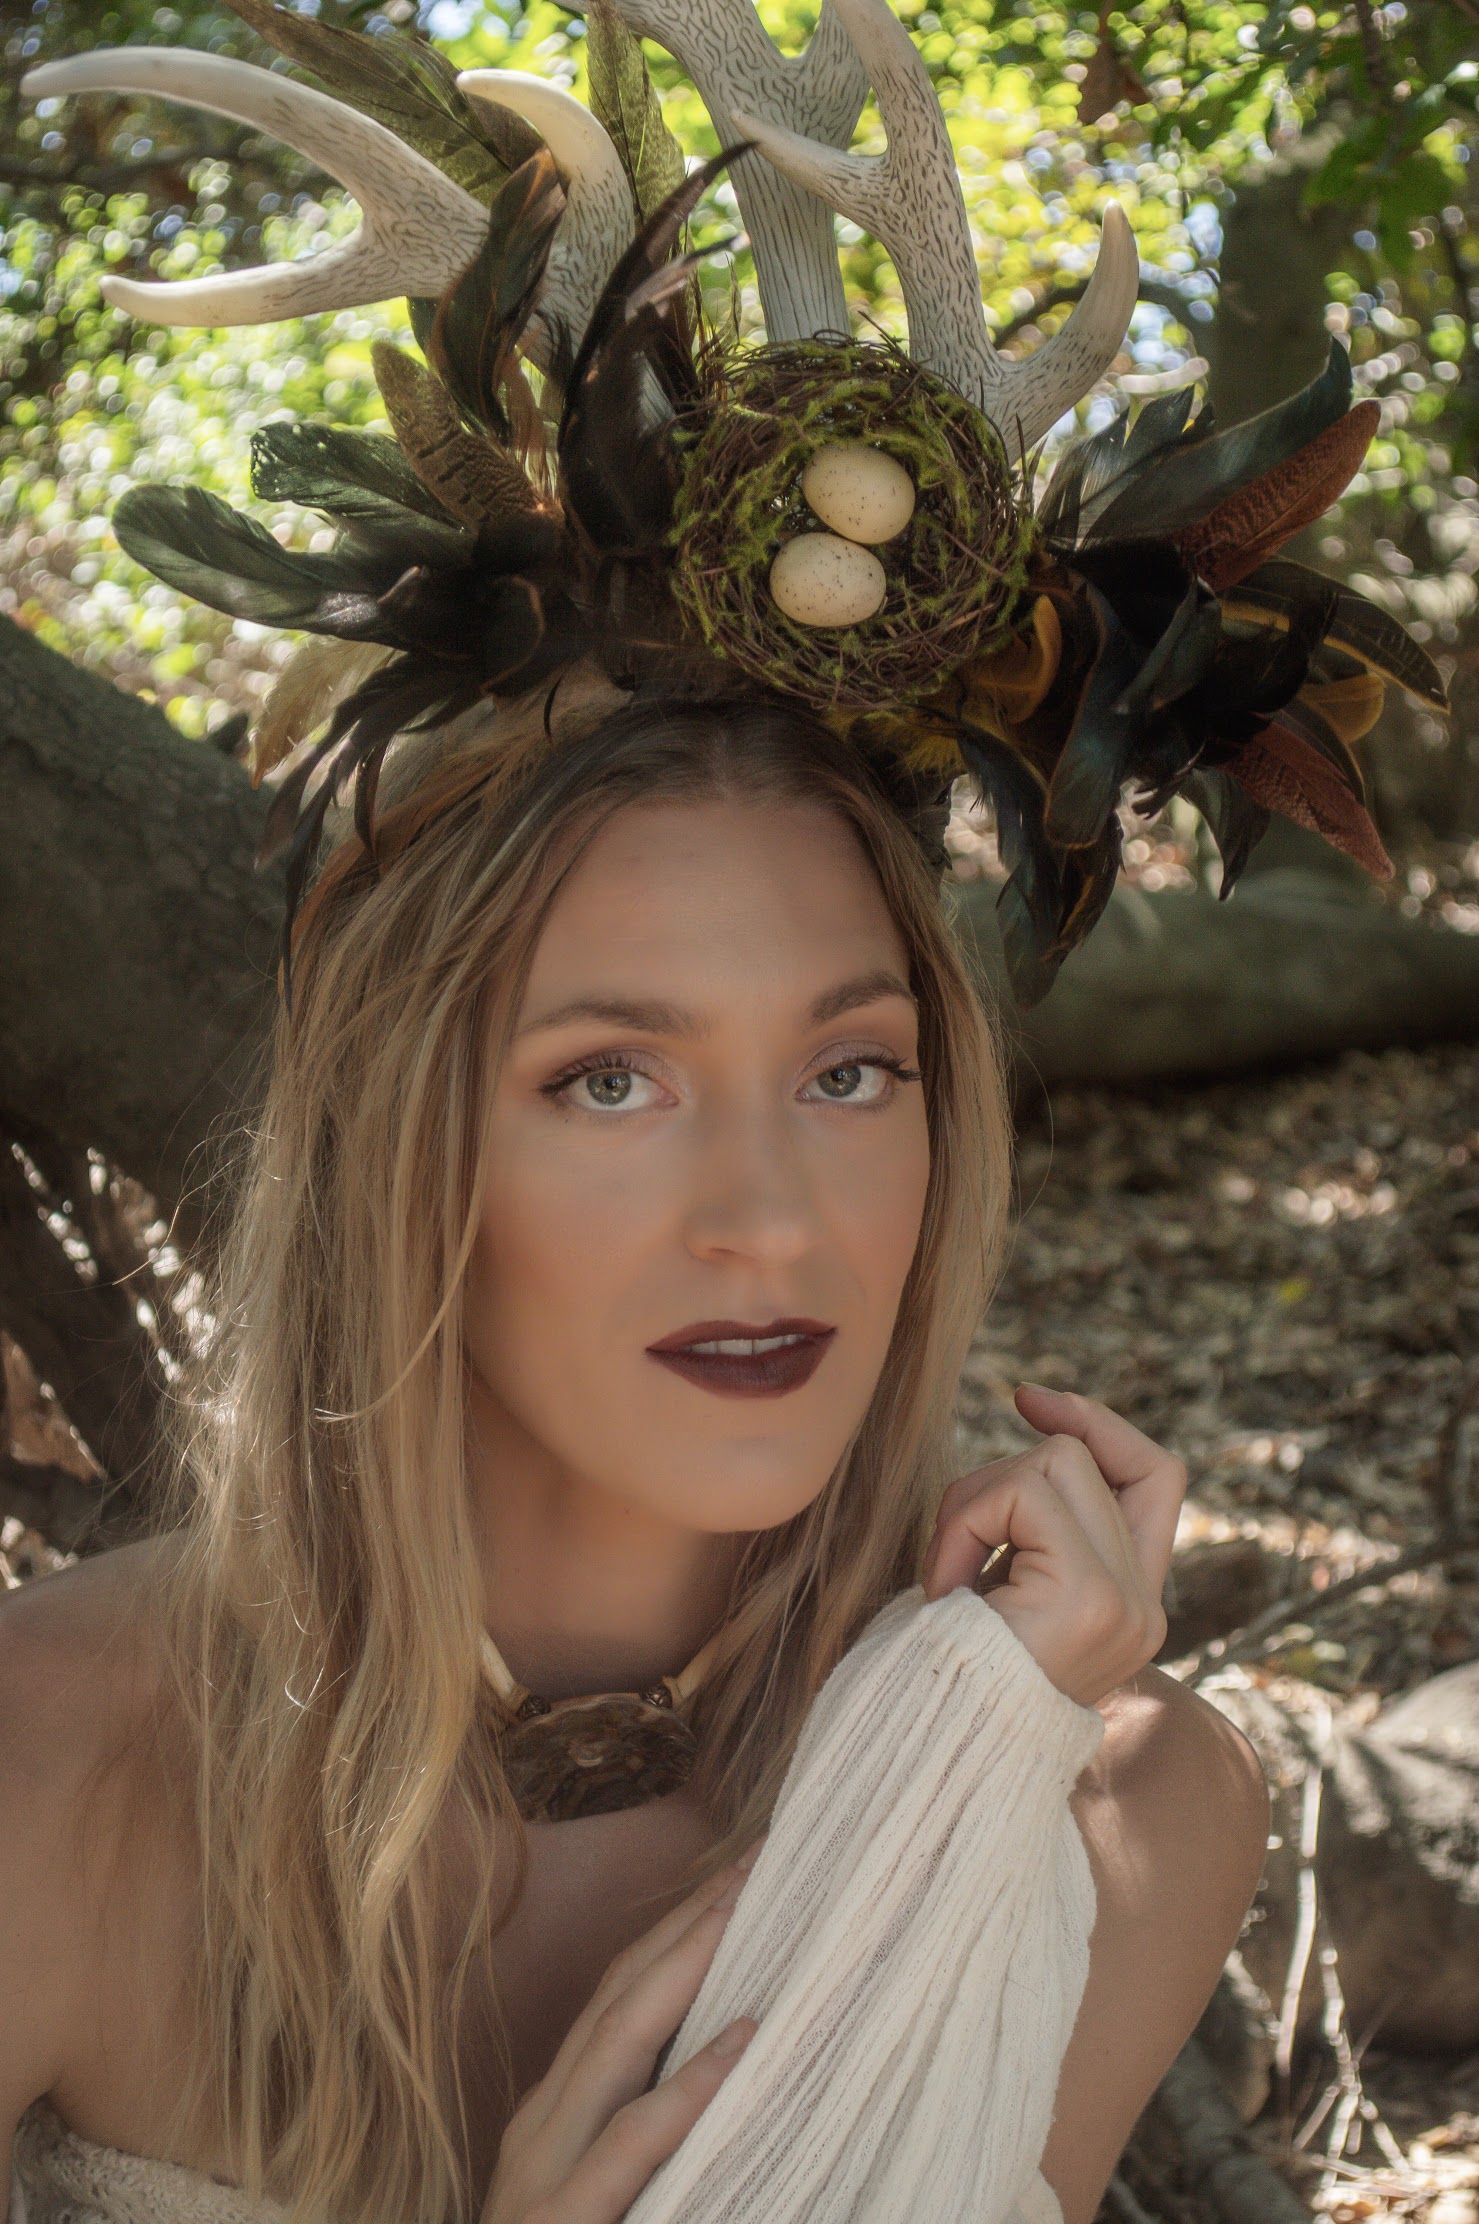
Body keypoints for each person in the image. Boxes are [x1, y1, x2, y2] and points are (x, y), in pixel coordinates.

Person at [3, 2, 1444, 2219]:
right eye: (610, 1077)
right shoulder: (53, 1767)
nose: (769, 1216)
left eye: (850, 1069)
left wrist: (946, 1758)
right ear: (399, 1134)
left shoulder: (1116, 1803)